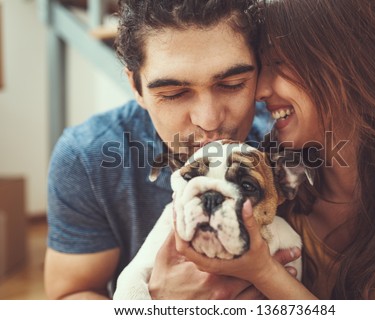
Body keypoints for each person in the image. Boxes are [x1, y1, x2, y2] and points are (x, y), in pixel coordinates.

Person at [176, 0, 375, 299]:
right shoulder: (270, 184)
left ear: (355, 64)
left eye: (278, 64)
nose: (259, 91)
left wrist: (264, 272)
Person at [44, 0, 299, 300]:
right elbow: (70, 294)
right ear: (136, 86)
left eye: (232, 84)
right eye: (174, 93)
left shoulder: (288, 139)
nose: (208, 119)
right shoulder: (87, 156)